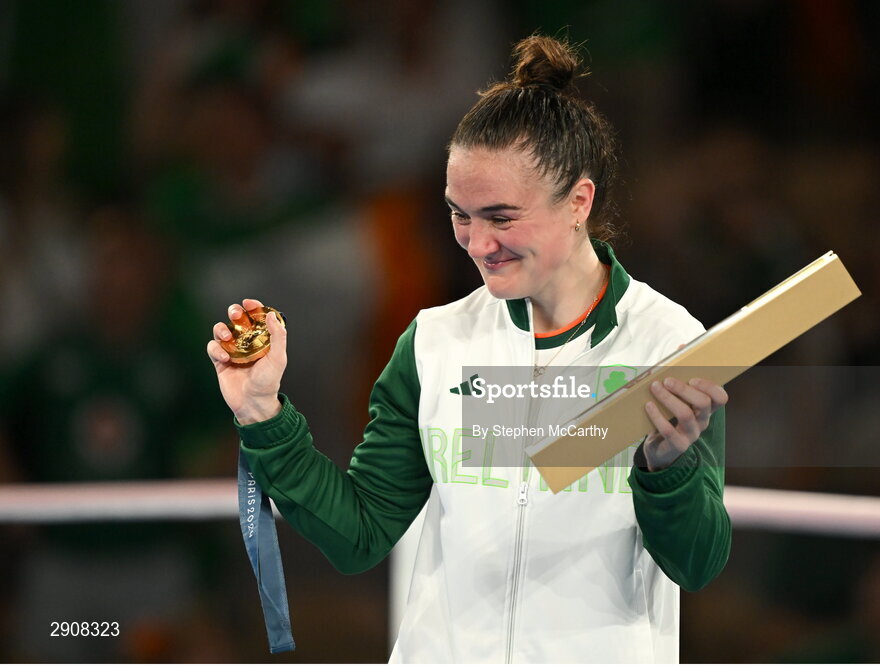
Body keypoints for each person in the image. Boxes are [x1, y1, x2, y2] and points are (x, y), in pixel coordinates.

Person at [207, 35, 731, 664]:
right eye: (460, 215)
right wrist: (264, 413)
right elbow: (361, 535)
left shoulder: (666, 343)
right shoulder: (434, 342)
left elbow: (696, 564)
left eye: (502, 217)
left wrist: (667, 468)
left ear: (579, 203)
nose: (478, 243)